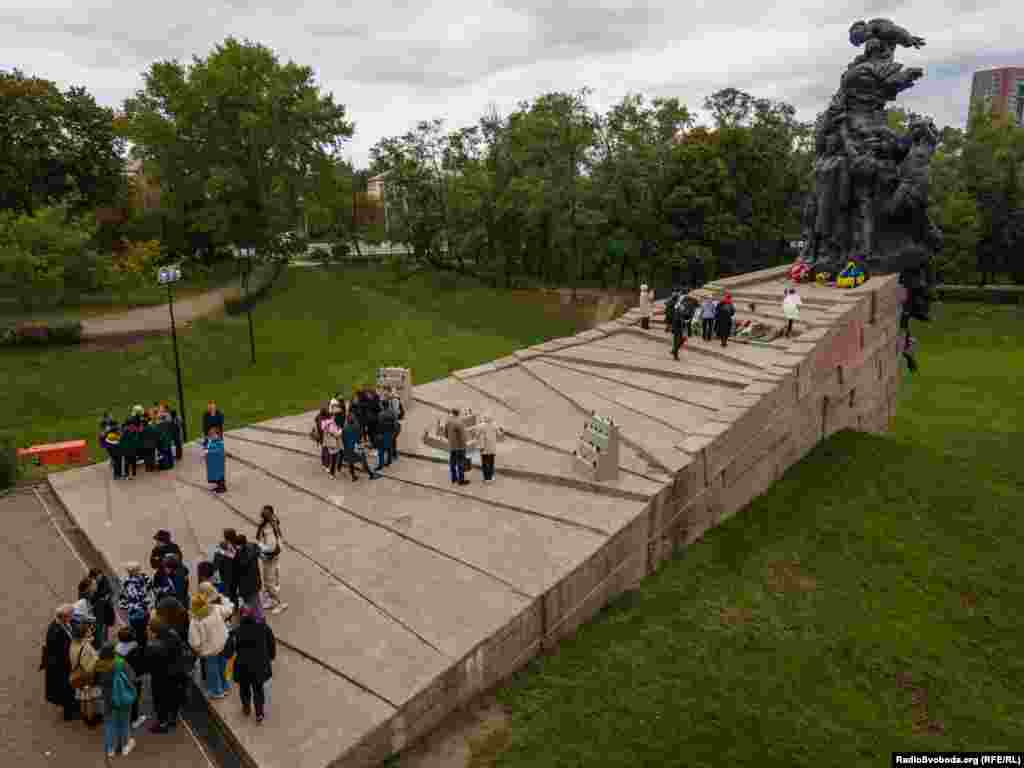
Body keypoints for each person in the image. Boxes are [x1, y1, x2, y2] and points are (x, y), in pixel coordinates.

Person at [145, 614, 190, 733]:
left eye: (149, 629)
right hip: (177, 673)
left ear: (155, 632)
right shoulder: (173, 635)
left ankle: (162, 723)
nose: (147, 631)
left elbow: (150, 665)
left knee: (161, 701)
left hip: (161, 678)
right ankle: (173, 719)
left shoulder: (154, 646)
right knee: (174, 698)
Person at [188, 588, 234, 699]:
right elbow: (229, 611)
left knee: (213, 671)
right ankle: (225, 686)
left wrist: (199, 650)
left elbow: (195, 641)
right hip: (223, 644)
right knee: (223, 667)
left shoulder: (195, 621)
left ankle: (217, 691)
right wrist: (224, 599)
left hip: (209, 650)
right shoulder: (215, 608)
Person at [93, 642, 137, 757]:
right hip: (122, 697)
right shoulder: (120, 663)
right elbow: (132, 677)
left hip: (107, 697)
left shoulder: (98, 664)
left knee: (109, 723)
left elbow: (96, 681)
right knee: (124, 722)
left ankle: (110, 748)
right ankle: (125, 746)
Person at [234, 605, 277, 722]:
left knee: (244, 689)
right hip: (259, 666)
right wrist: (271, 656)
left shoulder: (238, 630)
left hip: (243, 666)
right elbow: (271, 644)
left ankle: (246, 708)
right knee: (258, 690)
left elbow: (236, 647)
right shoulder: (264, 627)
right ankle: (259, 713)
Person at [41, 604, 78, 721]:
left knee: (69, 688)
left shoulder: (64, 624)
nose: (73, 617)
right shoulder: (55, 631)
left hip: (66, 663)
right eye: (71, 615)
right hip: (61, 665)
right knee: (66, 688)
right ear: (64, 617)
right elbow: (61, 651)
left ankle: (71, 707)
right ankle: (68, 713)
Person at [69, 615, 103, 727]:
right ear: (84, 634)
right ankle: (91, 719)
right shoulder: (86, 648)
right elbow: (90, 664)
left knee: (82, 697)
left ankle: (84, 716)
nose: (90, 631)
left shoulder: (73, 644)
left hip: (77, 673)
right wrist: (97, 657)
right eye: (88, 631)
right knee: (89, 699)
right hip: (87, 675)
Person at [256, 506, 288, 614]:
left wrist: (260, 548)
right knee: (266, 579)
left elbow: (271, 547)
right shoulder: (269, 524)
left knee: (269, 581)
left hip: (269, 557)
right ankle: (270, 599)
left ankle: (279, 603)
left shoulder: (269, 529)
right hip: (268, 557)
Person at [115, 626, 148, 730]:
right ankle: (134, 720)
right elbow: (139, 667)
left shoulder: (117, 648)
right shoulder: (135, 650)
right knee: (134, 699)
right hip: (133, 679)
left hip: (120, 677)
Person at [119, 562, 153, 653]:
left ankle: (140, 649)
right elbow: (149, 589)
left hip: (134, 612)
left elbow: (122, 600)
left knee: (137, 633)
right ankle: (144, 649)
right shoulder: (143, 578)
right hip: (142, 611)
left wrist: (126, 606)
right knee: (143, 632)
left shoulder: (126, 582)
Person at [230, 532, 264, 611]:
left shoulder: (239, 556)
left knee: (249, 603)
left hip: (246, 585)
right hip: (255, 580)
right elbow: (258, 549)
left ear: (240, 545)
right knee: (255, 600)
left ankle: (252, 616)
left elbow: (237, 570)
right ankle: (257, 613)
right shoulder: (253, 547)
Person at [342, 412, 379, 481]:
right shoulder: (357, 426)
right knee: (363, 460)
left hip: (348, 447)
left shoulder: (345, 428)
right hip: (357, 446)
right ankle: (371, 474)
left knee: (351, 462)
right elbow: (360, 436)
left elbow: (343, 439)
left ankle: (353, 476)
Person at [89, 567, 116, 649]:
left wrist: (107, 597)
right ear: (93, 576)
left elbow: (111, 592)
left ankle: (103, 644)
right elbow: (92, 597)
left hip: (106, 609)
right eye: (98, 576)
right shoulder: (91, 583)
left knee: (105, 628)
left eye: (100, 575)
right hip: (96, 611)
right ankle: (99, 645)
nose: (99, 577)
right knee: (98, 629)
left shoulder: (105, 580)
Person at [444, 408, 470, 485]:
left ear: (452, 413)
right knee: (460, 463)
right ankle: (461, 480)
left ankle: (454, 478)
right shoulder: (460, 422)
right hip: (460, 447)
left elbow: (445, 434)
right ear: (458, 414)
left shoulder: (448, 422)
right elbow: (463, 436)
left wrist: (451, 441)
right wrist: (465, 444)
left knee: (452, 463)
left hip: (452, 446)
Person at [212, 530, 237, 601]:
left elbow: (216, 562)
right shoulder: (235, 546)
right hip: (232, 576)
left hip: (225, 576)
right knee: (232, 596)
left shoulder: (222, 546)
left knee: (226, 597)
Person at [99, 413, 124, 480]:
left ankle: (113, 464)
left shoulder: (112, 425)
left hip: (111, 443)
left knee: (115, 458)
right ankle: (116, 474)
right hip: (110, 444)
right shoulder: (105, 425)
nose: (111, 417)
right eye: (109, 417)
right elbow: (103, 434)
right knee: (116, 459)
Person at [478, 414, 501, 482]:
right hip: (492, 447)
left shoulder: (481, 426)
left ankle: (486, 478)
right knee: (491, 462)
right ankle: (491, 476)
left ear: (484, 418)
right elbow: (499, 434)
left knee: (484, 463)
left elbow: (477, 435)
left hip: (484, 447)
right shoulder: (494, 425)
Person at [204, 427, 227, 493]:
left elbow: (219, 451)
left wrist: (209, 452)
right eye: (211, 435)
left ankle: (222, 488)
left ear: (218, 435)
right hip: (213, 463)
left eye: (214, 435)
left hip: (218, 463)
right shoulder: (210, 441)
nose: (212, 436)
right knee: (215, 475)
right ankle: (218, 486)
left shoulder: (219, 442)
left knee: (219, 476)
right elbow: (207, 448)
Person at [375, 402, 397, 470]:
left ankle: (380, 465)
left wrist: (378, 434)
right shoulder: (393, 412)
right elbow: (395, 423)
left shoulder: (381, 414)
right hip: (390, 433)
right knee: (389, 448)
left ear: (383, 406)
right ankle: (389, 461)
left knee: (381, 450)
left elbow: (379, 425)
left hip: (383, 433)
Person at [323, 412, 343, 477]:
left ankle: (331, 470)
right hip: (333, 444)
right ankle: (332, 473)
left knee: (332, 457)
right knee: (334, 459)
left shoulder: (325, 422)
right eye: (334, 416)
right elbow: (336, 434)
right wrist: (341, 430)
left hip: (328, 442)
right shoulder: (332, 425)